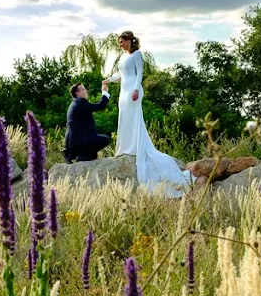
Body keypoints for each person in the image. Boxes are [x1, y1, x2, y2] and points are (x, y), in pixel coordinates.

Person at [105, 30, 192, 197]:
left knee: (134, 117)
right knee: (124, 118)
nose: (121, 44)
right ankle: (125, 146)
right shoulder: (122, 57)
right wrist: (108, 80)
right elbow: (121, 74)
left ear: (129, 40)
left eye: (122, 42)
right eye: (120, 42)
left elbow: (139, 74)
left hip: (133, 90)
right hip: (123, 92)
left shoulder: (137, 54)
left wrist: (137, 89)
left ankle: (135, 146)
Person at [64, 81, 112, 162]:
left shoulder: (74, 104)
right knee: (105, 139)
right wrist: (104, 92)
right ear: (77, 93)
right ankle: (83, 155)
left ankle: (85, 154)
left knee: (93, 153)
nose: (86, 91)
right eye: (83, 89)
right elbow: (100, 106)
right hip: (80, 143)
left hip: (73, 143)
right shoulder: (81, 103)